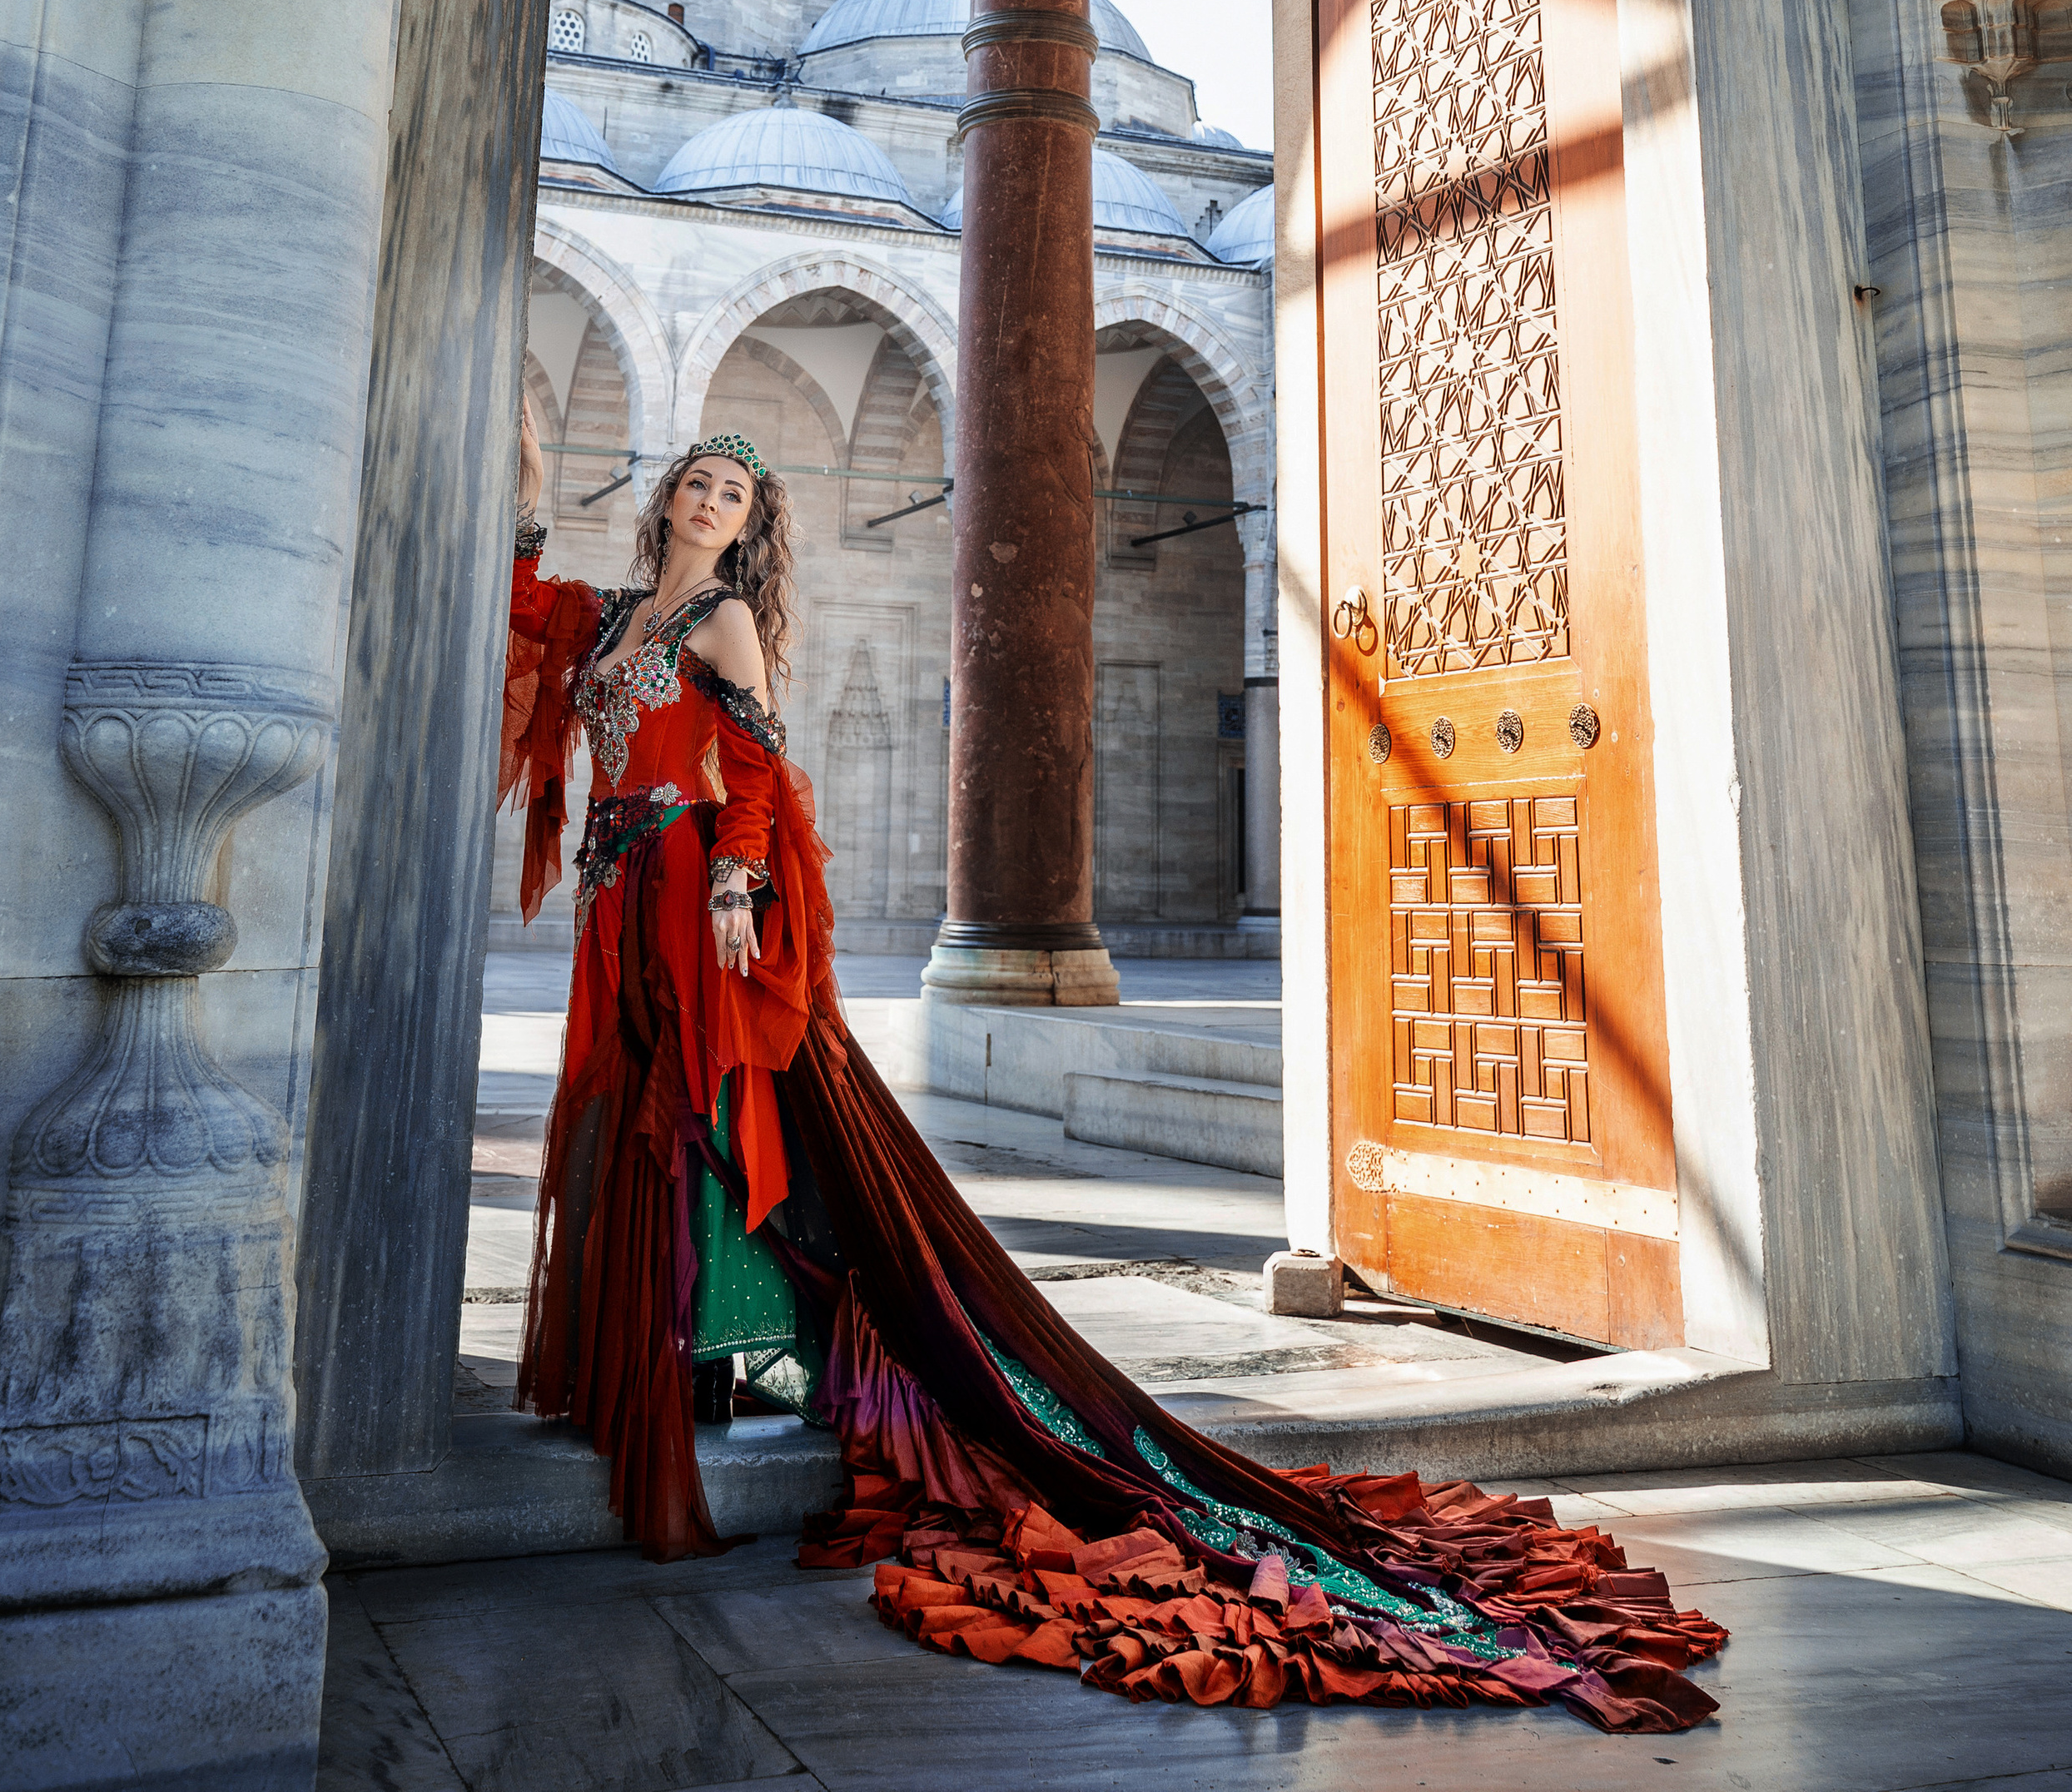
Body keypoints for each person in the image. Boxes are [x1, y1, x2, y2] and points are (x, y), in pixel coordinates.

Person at [504, 410, 1724, 1734]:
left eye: (731, 492)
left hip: (692, 893)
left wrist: (741, 884)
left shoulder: (724, 625)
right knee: (634, 1119)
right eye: (694, 483)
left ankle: (745, 1353)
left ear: (752, 524)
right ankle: (672, 1354)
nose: (706, 501)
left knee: (715, 1117)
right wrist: (518, 480)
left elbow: (753, 766)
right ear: (666, 500)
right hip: (614, 897)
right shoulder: (615, 614)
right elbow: (521, 615)